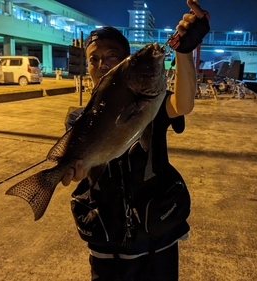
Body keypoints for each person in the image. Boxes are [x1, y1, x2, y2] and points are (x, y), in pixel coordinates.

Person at [62, 1, 209, 280]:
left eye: (111, 55)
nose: (101, 64)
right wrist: (71, 171)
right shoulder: (79, 118)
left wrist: (184, 52)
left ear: (126, 63)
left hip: (157, 242)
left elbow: (183, 103)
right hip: (107, 245)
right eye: (93, 59)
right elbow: (77, 163)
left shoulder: (149, 104)